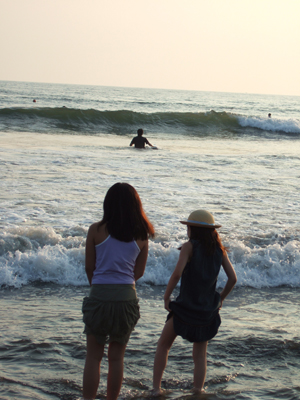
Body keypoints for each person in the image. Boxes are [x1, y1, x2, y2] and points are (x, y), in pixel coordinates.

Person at [82, 182, 155, 400]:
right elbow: (139, 272)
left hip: (99, 294)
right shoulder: (142, 235)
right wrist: (122, 285)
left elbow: (89, 267)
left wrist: (98, 286)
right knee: (116, 357)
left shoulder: (95, 230)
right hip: (126, 298)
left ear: (108, 204)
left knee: (94, 356)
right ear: (136, 206)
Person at [152, 210, 237, 395]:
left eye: (188, 227)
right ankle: (198, 390)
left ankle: (156, 389)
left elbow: (176, 274)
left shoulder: (189, 247)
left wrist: (167, 296)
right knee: (199, 354)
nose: (187, 230)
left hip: (184, 308)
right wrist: (220, 299)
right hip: (207, 310)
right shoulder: (219, 250)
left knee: (163, 345)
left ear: (192, 229)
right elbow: (232, 279)